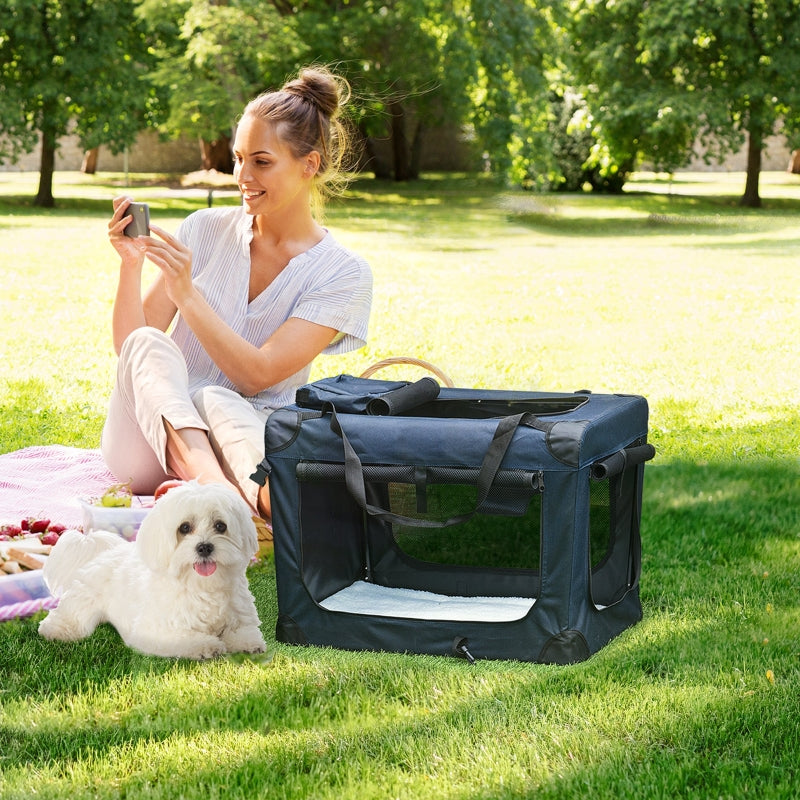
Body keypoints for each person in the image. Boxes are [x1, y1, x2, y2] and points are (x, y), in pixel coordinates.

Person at [101, 66, 373, 531]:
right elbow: (130, 347)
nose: (242, 176)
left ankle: (243, 500)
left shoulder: (343, 274)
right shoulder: (205, 228)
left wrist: (187, 294)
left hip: (243, 441)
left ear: (309, 164)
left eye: (261, 162)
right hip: (148, 439)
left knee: (218, 396)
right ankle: (219, 496)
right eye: (238, 158)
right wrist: (131, 265)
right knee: (150, 345)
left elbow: (256, 375)